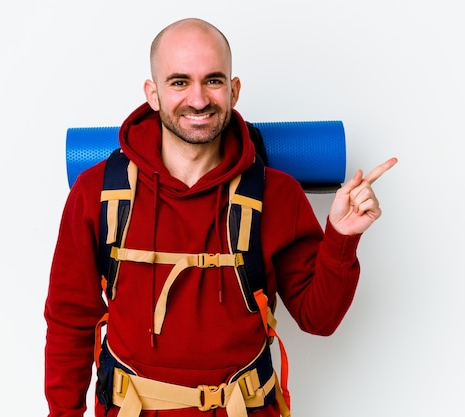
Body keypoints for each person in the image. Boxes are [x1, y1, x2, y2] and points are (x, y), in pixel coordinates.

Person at [44, 17, 397, 417]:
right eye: (179, 82)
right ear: (153, 93)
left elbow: (319, 319)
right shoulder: (97, 192)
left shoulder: (277, 193)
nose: (198, 100)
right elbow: (69, 323)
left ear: (233, 90)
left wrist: (341, 237)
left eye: (212, 81)